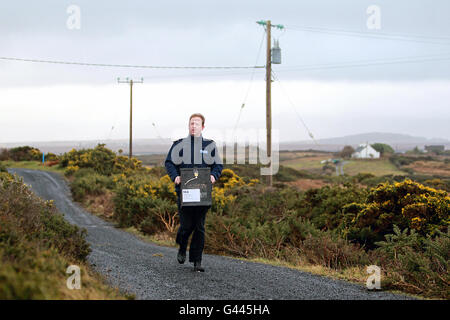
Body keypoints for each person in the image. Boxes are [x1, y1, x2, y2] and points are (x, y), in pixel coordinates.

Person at [164, 113, 223, 272]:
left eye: (197, 124)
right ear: (188, 125)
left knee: (199, 227)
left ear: (202, 127)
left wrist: (213, 176)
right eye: (191, 123)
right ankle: (182, 246)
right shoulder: (179, 145)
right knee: (186, 226)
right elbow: (169, 163)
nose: (193, 126)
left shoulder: (209, 145)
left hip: (203, 194)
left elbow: (218, 165)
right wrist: (175, 176)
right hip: (184, 193)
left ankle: (197, 261)